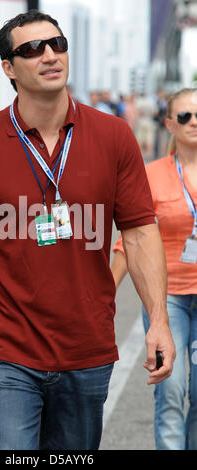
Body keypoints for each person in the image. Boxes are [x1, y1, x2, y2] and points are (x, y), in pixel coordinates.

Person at [0, 10, 175, 451]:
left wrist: (159, 320)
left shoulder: (114, 136)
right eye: (32, 49)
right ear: (8, 68)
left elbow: (138, 233)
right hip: (4, 351)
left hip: (86, 348)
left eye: (57, 44)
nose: (50, 55)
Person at [111, 88, 197, 450]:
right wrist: (104, 294)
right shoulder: (152, 174)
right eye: (184, 117)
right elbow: (130, 238)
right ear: (169, 125)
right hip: (167, 298)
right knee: (172, 391)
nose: (194, 122)